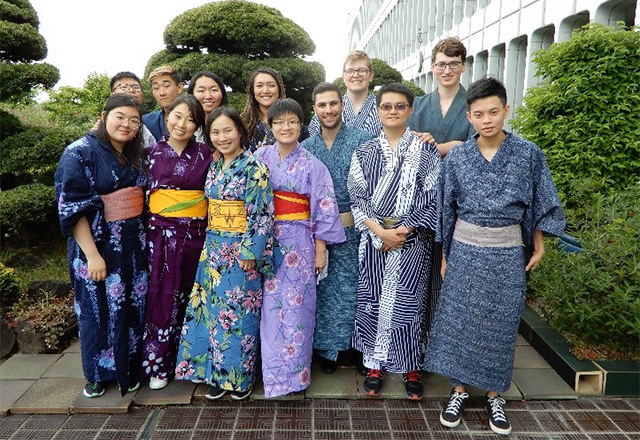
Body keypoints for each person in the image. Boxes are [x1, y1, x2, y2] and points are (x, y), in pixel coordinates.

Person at [423, 77, 565, 435]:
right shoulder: (457, 157)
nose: (487, 119)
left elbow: (539, 201)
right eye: (478, 114)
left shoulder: (529, 154)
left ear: (506, 110)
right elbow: (446, 210)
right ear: (469, 118)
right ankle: (457, 390)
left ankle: (494, 394)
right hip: (466, 249)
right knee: (461, 320)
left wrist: (539, 243)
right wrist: (445, 254)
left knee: (500, 323)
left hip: (506, 252)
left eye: (493, 112)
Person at [175, 106, 277, 401]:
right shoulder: (215, 165)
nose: (222, 137)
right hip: (214, 248)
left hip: (241, 250)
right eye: (215, 132)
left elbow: (261, 213)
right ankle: (216, 374)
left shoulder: (254, 167)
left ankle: (239, 377)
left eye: (228, 130)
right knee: (211, 312)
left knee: (238, 313)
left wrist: (250, 251)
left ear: (241, 132)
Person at [347, 83, 441, 400]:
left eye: (400, 106)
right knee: (373, 300)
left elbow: (433, 198)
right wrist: (380, 232)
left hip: (412, 242)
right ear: (378, 110)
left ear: (410, 110)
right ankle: (375, 365)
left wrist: (402, 231)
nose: (392, 112)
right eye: (386, 106)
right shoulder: (364, 152)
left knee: (409, 304)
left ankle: (410, 366)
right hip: (375, 239)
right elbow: (356, 198)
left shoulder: (426, 152)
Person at [54, 94, 148, 398]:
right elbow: (73, 207)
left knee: (132, 307)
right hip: (96, 243)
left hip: (133, 242)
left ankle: (129, 368)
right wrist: (92, 255)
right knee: (96, 309)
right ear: (104, 115)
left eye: (134, 120)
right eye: (120, 116)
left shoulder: (135, 153)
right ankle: (96, 374)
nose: (127, 124)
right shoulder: (78, 153)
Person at [255, 98, 345, 398]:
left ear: (301, 125)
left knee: (297, 307)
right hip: (265, 240)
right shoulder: (260, 157)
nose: (286, 127)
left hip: (299, 243)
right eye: (279, 122)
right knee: (267, 308)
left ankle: (295, 377)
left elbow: (323, 207)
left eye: (292, 121)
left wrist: (321, 249)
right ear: (271, 126)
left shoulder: (312, 164)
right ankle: (271, 375)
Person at [301, 82, 374, 376]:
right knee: (325, 291)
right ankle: (327, 349)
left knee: (357, 289)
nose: (328, 110)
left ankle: (357, 347)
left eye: (333, 103)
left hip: (356, 228)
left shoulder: (364, 140)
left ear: (342, 105)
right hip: (317, 231)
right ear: (314, 109)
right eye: (322, 105)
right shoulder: (305, 147)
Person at [407, 37, 475, 351]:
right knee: (422, 269)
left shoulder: (474, 104)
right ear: (432, 67)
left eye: (453, 63)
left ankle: (451, 343)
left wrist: (447, 147)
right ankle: (420, 341)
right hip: (420, 199)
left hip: (463, 197)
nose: (446, 69)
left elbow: (483, 144)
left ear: (463, 66)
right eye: (440, 64)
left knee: (455, 269)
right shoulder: (418, 105)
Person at [141, 95, 210, 390]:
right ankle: (158, 363)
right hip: (160, 237)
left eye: (191, 119)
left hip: (197, 236)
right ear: (168, 116)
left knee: (194, 296)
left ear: (198, 125)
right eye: (178, 116)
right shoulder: (148, 154)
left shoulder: (207, 154)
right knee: (161, 294)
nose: (183, 124)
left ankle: (192, 362)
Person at [308, 50, 382, 137]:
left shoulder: (384, 108)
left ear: (371, 75)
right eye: (350, 71)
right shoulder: (327, 109)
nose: (355, 75)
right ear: (343, 76)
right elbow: (311, 144)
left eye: (362, 70)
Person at [240, 67, 309, 151]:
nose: (265, 90)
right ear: (252, 91)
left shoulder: (296, 126)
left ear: (279, 89)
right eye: (259, 86)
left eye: (271, 85)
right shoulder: (242, 125)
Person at [109, 72, 157, 148]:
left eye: (136, 87)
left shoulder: (145, 132)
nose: (131, 90)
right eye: (123, 87)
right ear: (112, 95)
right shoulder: (102, 129)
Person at [142, 65, 184, 141]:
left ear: (179, 88)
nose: (162, 93)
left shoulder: (195, 116)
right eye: (156, 88)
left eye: (166, 86)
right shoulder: (147, 121)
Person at [187, 71, 228, 143]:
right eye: (201, 91)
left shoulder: (233, 123)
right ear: (191, 94)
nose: (208, 96)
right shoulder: (184, 125)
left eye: (214, 90)